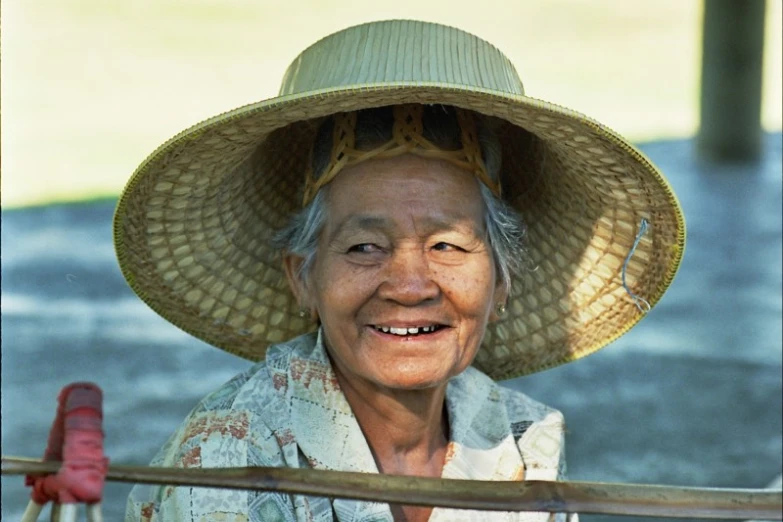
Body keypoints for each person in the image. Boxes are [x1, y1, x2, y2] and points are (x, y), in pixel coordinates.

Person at [117, 19, 685, 522]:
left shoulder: (523, 439)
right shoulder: (232, 455)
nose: (410, 286)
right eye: (365, 247)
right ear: (302, 278)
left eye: (448, 246)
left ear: (503, 278)